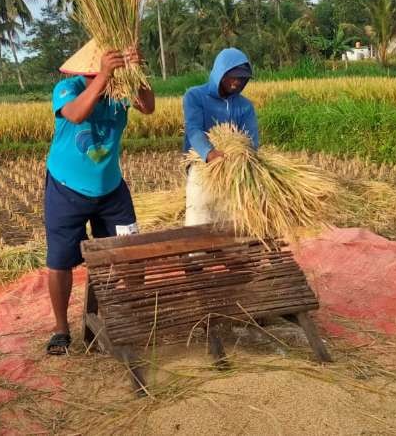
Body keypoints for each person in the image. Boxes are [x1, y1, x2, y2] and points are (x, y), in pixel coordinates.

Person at [43, 39, 155, 355]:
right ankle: (61, 330)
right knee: (61, 261)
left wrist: (138, 71)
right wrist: (103, 78)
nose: (103, 76)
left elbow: (148, 106)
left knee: (130, 253)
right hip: (67, 188)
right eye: (99, 71)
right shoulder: (67, 88)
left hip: (111, 189)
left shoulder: (121, 90)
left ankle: (133, 316)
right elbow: (76, 115)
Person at [182, 48, 258, 227]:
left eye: (242, 78)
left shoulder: (245, 106)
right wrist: (209, 153)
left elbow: (251, 140)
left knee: (231, 227)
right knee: (199, 226)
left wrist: (241, 157)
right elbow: (194, 129)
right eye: (233, 77)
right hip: (203, 170)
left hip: (234, 173)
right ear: (220, 74)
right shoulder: (195, 96)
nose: (237, 82)